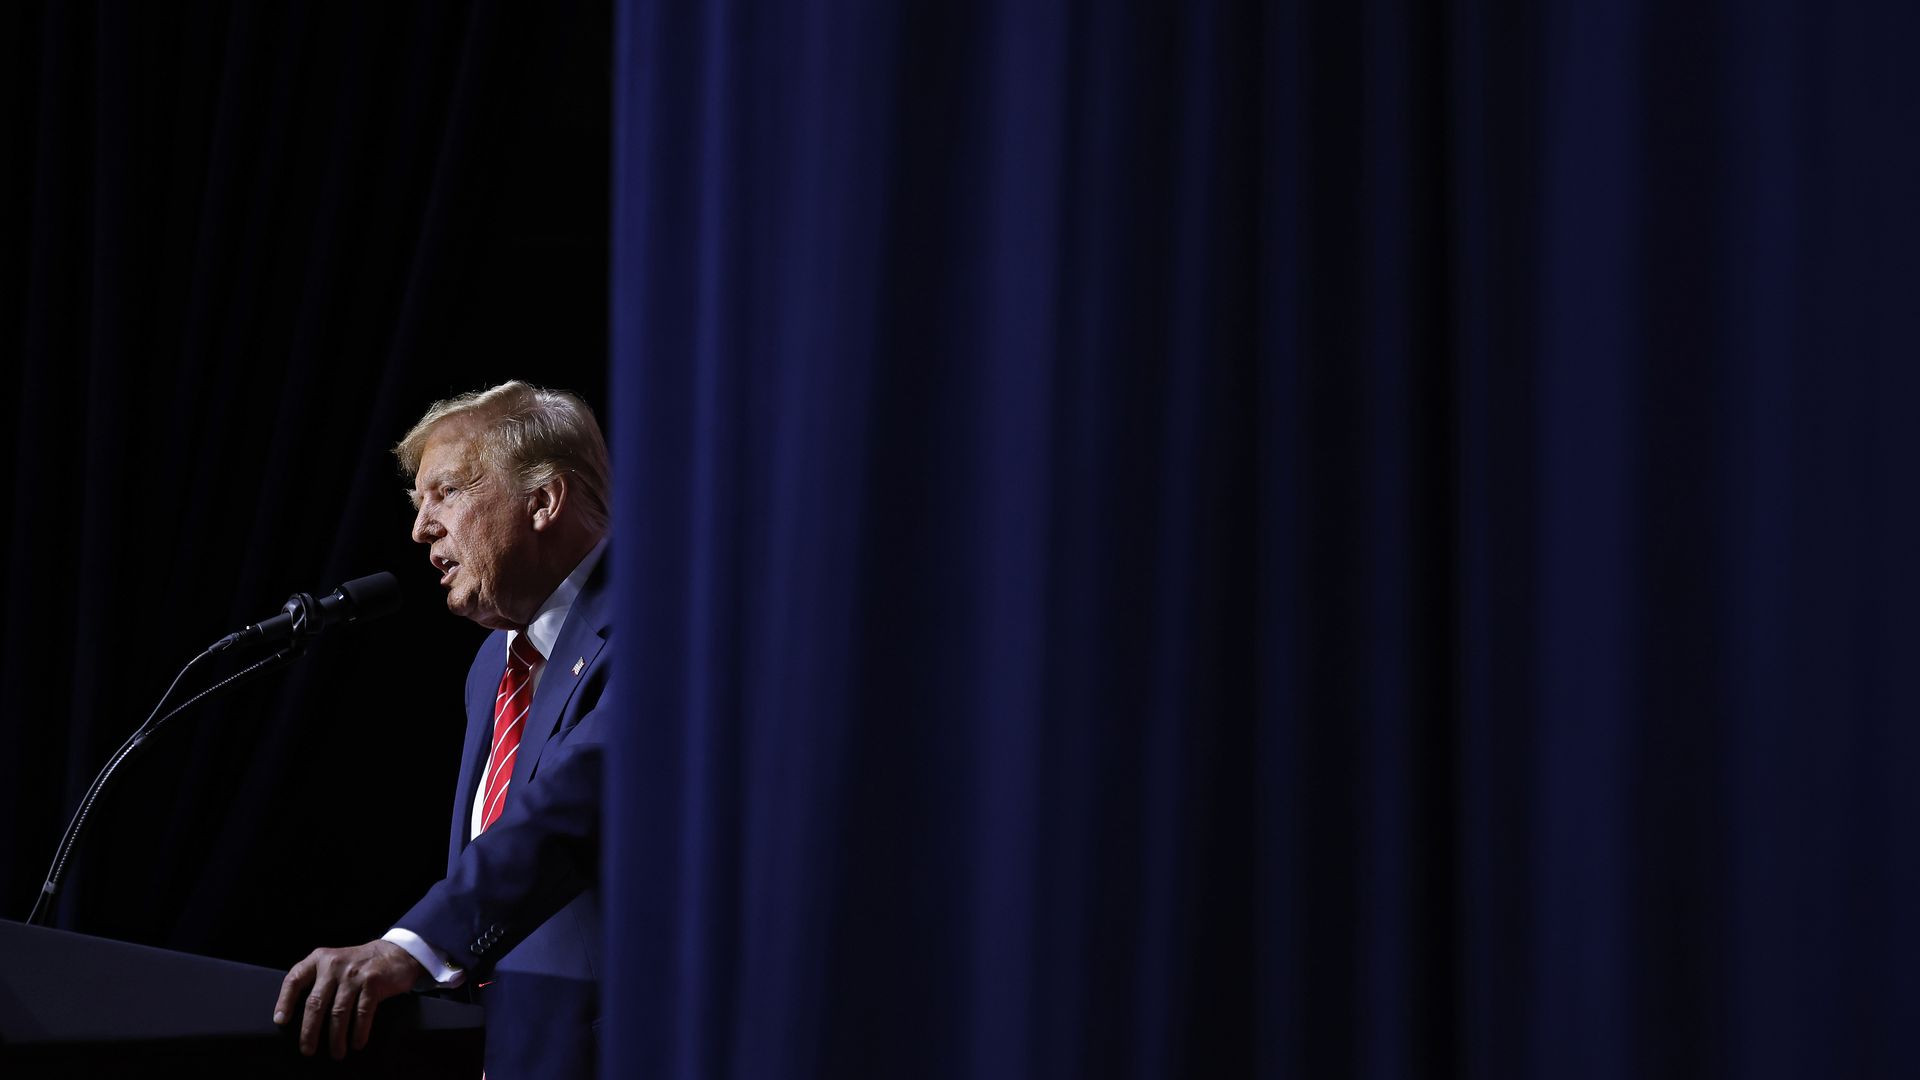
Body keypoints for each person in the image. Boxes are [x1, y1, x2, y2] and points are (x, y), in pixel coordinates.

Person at [274, 381, 614, 1076]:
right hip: (505, 1042)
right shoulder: (494, 663)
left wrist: (416, 944)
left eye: (446, 492)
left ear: (544, 500)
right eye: (417, 502)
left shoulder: (654, 616)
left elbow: (572, 805)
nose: (420, 528)